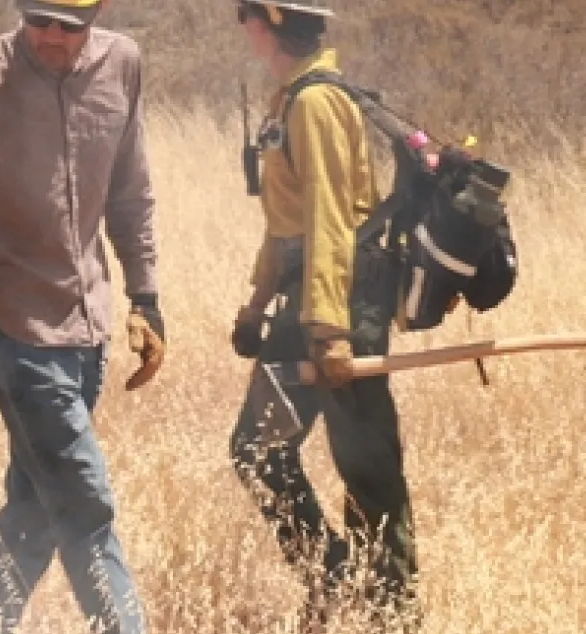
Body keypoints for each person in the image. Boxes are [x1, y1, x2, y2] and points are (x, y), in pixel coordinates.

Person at [0, 0, 164, 631]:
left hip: (87, 325)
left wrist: (145, 299)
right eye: (38, 19)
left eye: (69, 25)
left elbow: (131, 197)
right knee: (82, 501)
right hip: (9, 324)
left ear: (95, 16)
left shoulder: (123, 65)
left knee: (35, 509)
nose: (51, 36)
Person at [226, 1, 419, 631]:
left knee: (368, 472)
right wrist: (257, 304)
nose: (244, 25)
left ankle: (392, 614)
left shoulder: (314, 103)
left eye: (249, 14)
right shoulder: (290, 99)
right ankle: (333, 578)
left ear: (270, 25)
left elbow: (332, 218)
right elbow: (288, 225)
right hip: (305, 299)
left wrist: (330, 329)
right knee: (255, 452)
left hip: (341, 305)